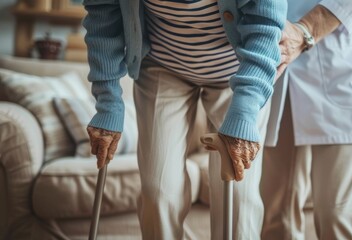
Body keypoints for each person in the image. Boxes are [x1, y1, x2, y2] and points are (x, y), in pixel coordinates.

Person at [82, 0, 287, 239]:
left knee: (237, 195)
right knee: (159, 191)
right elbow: (103, 13)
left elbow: (265, 25)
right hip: (163, 65)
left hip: (239, 72)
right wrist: (108, 102)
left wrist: (245, 110)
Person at [261, 1, 352, 239]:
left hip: (339, 67)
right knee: (276, 218)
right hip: (278, 66)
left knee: (337, 218)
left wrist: (307, 29)